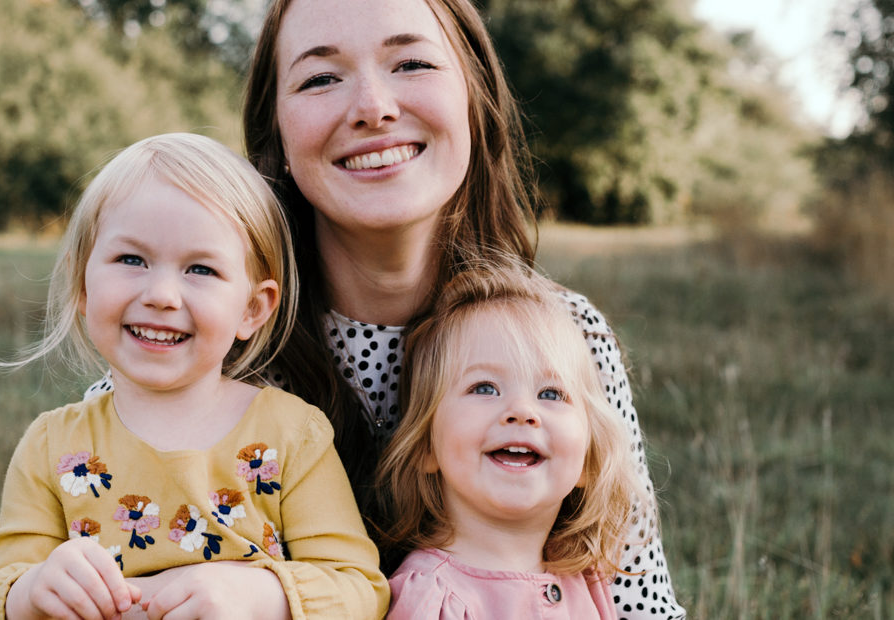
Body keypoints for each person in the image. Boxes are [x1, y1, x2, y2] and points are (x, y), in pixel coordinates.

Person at [92, 0, 685, 616]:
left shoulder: (564, 338)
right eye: (321, 77)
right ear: (277, 131)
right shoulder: (204, 331)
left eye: (412, 63)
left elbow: (640, 600)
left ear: (474, 98)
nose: (374, 107)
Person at [0, 133, 389, 620]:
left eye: (201, 269)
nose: (162, 294)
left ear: (251, 309)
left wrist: (261, 595)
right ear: (82, 282)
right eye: (132, 260)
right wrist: (34, 590)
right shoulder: (50, 447)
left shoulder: (291, 435)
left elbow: (361, 590)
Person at [377, 261, 644, 618]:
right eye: (484, 388)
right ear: (427, 445)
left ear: (588, 460)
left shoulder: (585, 581)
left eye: (551, 394)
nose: (521, 410)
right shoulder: (431, 599)